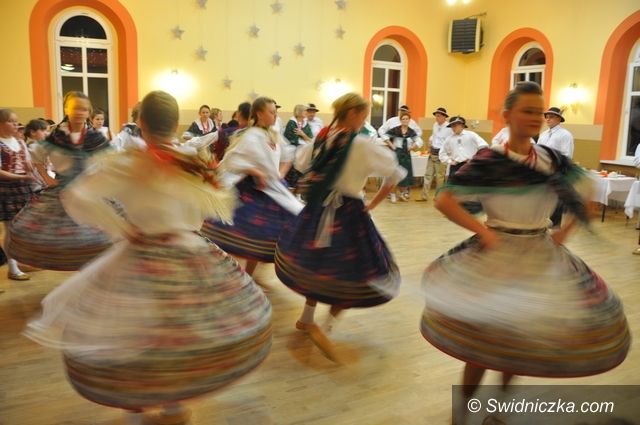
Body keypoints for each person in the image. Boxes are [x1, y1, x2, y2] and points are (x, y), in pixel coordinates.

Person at [24, 90, 272, 425]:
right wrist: (187, 226)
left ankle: (136, 412)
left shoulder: (127, 162)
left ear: (140, 122)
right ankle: (172, 405)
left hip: (141, 253)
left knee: (129, 335)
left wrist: (121, 228)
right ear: (176, 123)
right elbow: (217, 201)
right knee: (180, 333)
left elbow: (76, 196)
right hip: (189, 253)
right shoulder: (192, 162)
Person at [420, 81, 630, 425]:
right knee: (482, 343)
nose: (535, 117)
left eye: (539, 111)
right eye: (527, 111)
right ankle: (462, 413)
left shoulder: (551, 159)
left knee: (517, 339)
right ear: (508, 115)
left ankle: (499, 411)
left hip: (538, 254)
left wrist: (563, 233)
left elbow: (588, 189)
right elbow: (444, 200)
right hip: (496, 256)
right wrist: (483, 232)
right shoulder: (491, 159)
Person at [275, 93, 405, 361]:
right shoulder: (362, 145)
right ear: (354, 113)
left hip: (317, 210)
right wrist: (373, 204)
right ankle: (326, 328)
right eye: (363, 115)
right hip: (348, 213)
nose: (364, 121)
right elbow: (393, 174)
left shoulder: (324, 138)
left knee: (316, 264)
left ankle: (306, 318)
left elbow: (301, 161)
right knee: (353, 272)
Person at [8, 91, 112, 271]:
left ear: (88, 112)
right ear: (66, 109)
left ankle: (88, 275)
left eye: (84, 109)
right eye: (75, 108)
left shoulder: (95, 137)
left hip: (89, 192)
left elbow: (109, 160)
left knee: (96, 239)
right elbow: (36, 156)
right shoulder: (57, 136)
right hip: (62, 192)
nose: (79, 112)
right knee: (62, 240)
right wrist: (47, 177)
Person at [201, 97, 304, 278]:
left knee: (262, 239)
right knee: (245, 236)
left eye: (275, 112)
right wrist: (255, 171)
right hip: (252, 191)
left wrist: (280, 173)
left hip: (272, 190)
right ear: (259, 114)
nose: (275, 115)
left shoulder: (273, 134)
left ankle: (247, 275)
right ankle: (221, 270)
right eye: (271, 112)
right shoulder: (250, 135)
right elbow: (233, 160)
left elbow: (288, 155)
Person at [0, 109, 38, 282]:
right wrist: (21, 177)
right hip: (6, 190)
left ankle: (21, 261)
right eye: (11, 121)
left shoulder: (20, 142)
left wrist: (36, 169)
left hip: (23, 188)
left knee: (24, 228)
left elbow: (28, 164)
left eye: (16, 121)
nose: (16, 124)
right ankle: (13, 268)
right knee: (11, 229)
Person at [537, 107, 575, 227]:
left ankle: (555, 225)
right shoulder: (543, 135)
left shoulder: (565, 135)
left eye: (551, 117)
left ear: (559, 119)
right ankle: (540, 222)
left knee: (556, 199)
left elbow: (566, 155)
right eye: (547, 117)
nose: (548, 119)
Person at [382, 111, 423, 202]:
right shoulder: (396, 130)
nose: (405, 120)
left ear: (409, 120)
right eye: (403, 119)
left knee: (405, 175)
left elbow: (420, 141)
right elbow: (383, 135)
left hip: (406, 155)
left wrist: (412, 147)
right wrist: (391, 145)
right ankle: (393, 194)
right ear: (400, 120)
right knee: (394, 174)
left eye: (406, 119)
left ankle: (401, 194)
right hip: (397, 153)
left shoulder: (411, 131)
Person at [418, 107, 452, 202]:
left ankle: (439, 197)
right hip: (432, 152)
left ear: (444, 117)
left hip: (441, 154)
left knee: (440, 177)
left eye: (438, 116)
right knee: (427, 175)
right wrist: (430, 141)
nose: (436, 118)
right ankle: (424, 196)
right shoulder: (435, 125)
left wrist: (447, 153)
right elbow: (434, 136)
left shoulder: (449, 127)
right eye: (436, 116)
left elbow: (450, 141)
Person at [282, 104, 314, 190]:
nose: (307, 112)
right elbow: (291, 138)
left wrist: (302, 134)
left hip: (303, 147)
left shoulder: (306, 124)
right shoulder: (292, 122)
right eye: (305, 111)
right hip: (291, 147)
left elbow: (310, 138)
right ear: (299, 112)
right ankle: (292, 184)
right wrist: (304, 139)